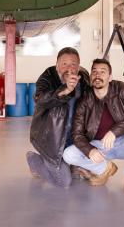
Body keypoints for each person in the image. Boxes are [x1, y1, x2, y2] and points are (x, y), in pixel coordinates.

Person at [63, 58, 124, 196]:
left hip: (122, 143)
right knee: (68, 154)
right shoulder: (85, 100)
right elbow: (77, 134)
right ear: (91, 77)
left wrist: (114, 132)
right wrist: (90, 150)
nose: (98, 75)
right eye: (94, 72)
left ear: (110, 77)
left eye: (103, 72)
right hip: (99, 147)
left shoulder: (123, 89)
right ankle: (105, 168)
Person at [26, 47, 90, 187]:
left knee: (80, 176)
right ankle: (33, 159)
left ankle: (69, 162)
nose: (69, 68)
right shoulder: (47, 76)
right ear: (57, 66)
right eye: (64, 64)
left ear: (78, 67)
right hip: (51, 141)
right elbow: (40, 99)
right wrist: (65, 90)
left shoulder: (84, 78)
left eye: (73, 64)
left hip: (73, 140)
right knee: (64, 182)